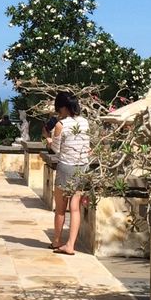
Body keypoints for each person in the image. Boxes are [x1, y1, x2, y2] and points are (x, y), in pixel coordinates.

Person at [48, 91, 90, 255]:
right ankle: (70, 244)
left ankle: (57, 241)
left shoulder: (61, 125)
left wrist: (50, 140)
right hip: (82, 167)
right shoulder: (85, 122)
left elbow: (56, 150)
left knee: (60, 208)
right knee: (75, 208)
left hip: (66, 167)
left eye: (59, 109)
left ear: (63, 107)